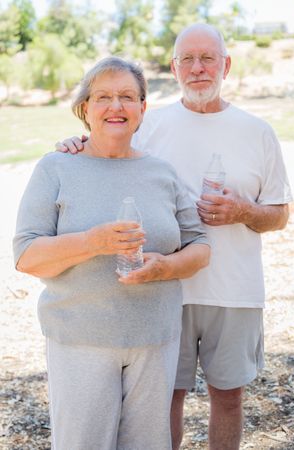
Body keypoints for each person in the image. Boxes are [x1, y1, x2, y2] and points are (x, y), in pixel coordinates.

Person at [55, 24, 293, 450]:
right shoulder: (151, 123)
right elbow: (106, 147)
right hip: (163, 289)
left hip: (235, 291)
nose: (198, 68)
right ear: (174, 66)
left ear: (227, 65)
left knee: (229, 398)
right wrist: (76, 143)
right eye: (188, 59)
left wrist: (243, 210)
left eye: (208, 58)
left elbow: (278, 215)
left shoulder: (257, 131)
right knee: (163, 401)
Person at [13, 56, 210, 450]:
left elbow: (201, 246)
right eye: (103, 97)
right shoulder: (56, 167)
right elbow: (26, 256)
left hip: (155, 339)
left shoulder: (162, 173)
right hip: (80, 340)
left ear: (142, 109)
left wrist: (165, 267)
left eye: (127, 97)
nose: (115, 107)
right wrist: (92, 243)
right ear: (86, 108)